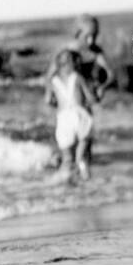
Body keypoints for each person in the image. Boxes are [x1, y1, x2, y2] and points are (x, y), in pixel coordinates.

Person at [44, 14, 115, 170]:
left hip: (85, 107)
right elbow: (50, 78)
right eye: (87, 36)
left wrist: (103, 87)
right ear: (77, 33)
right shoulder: (65, 54)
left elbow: (111, 75)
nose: (91, 41)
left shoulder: (96, 52)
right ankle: (69, 175)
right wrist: (51, 97)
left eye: (95, 36)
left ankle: (84, 186)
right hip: (67, 107)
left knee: (85, 149)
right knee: (69, 147)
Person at [45, 49, 98, 183]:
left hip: (63, 118)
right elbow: (90, 98)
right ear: (72, 63)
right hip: (79, 115)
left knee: (67, 158)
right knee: (81, 156)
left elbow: (48, 101)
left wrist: (57, 104)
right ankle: (87, 181)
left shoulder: (53, 80)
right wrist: (96, 94)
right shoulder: (76, 77)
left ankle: (64, 182)